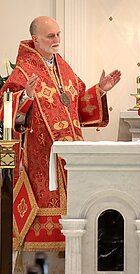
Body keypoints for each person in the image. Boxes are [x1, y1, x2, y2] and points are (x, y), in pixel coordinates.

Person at [0, 16, 121, 253]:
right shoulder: (23, 71)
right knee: (43, 236)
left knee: (74, 225)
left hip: (71, 158)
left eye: (58, 34)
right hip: (41, 158)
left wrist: (99, 91)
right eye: (50, 36)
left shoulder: (63, 66)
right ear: (35, 39)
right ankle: (38, 260)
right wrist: (25, 96)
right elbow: (6, 111)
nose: (57, 40)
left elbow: (76, 107)